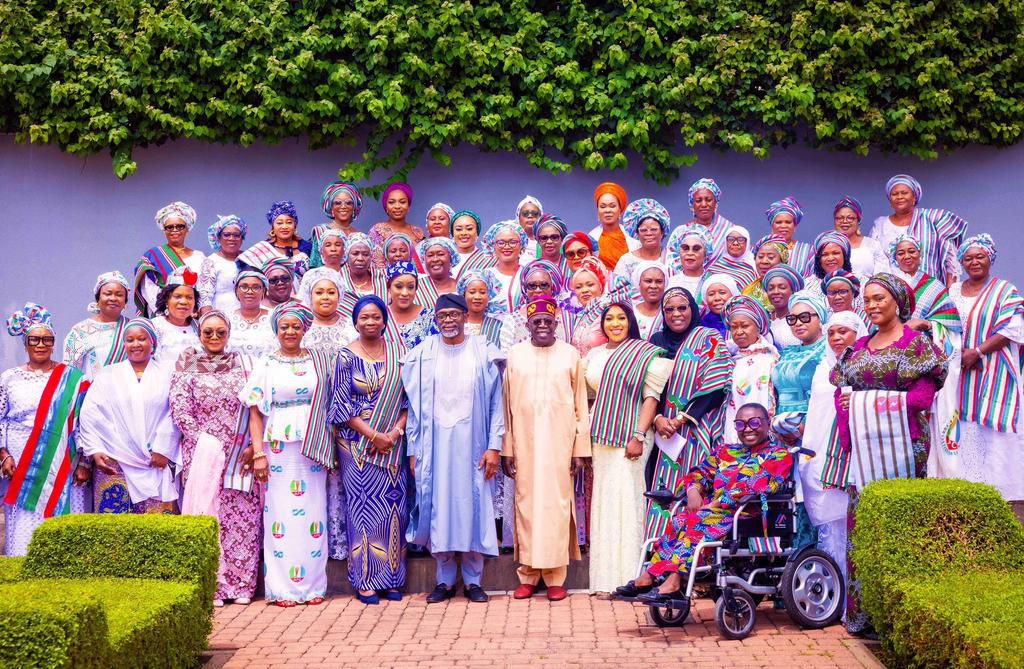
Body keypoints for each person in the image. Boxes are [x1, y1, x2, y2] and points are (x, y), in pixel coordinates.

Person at [831, 273, 947, 634]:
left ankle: (900, 618)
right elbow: (841, 392)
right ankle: (863, 615)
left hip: (905, 446)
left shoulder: (917, 346)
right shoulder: (858, 347)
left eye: (879, 298)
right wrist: (849, 422)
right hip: (864, 451)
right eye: (867, 300)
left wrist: (863, 401)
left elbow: (921, 399)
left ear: (898, 301)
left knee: (900, 526)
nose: (872, 305)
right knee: (863, 527)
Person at [619, 403, 792, 602]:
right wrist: (693, 490)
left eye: (754, 423)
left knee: (700, 519)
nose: (747, 429)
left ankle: (673, 581)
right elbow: (698, 473)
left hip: (748, 513)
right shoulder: (725, 451)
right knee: (680, 519)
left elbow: (755, 485)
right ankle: (651, 575)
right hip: (713, 512)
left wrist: (716, 504)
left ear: (767, 423)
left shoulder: (779, 455)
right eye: (740, 424)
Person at [402, 294, 505, 604]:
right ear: (436, 320)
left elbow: (497, 403)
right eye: (442, 315)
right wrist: (413, 449)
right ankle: (444, 581)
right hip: (434, 446)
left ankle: (473, 581)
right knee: (439, 508)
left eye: (453, 314)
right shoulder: (422, 354)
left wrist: (494, 446)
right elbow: (413, 407)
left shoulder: (483, 351)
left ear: (465, 316)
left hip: (475, 445)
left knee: (474, 507)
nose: (448, 320)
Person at [240, 302, 334, 607]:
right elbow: (255, 412)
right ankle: (282, 589)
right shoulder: (267, 363)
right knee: (280, 513)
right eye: (284, 327)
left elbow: (331, 402)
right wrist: (258, 453)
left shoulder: (319, 360)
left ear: (305, 329)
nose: (290, 332)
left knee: (313, 512)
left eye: (296, 326)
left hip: (314, 444)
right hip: (278, 444)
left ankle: (313, 587)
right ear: (276, 330)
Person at [168, 311, 261, 606]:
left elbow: (257, 406)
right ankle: (214, 587)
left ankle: (242, 585)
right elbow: (179, 407)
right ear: (199, 334)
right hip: (203, 452)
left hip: (239, 452)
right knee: (208, 515)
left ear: (229, 334)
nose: (214, 337)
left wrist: (252, 445)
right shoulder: (187, 364)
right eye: (208, 332)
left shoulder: (244, 365)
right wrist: (204, 441)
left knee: (242, 517)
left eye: (221, 332)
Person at [502, 296, 591, 601]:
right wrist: (507, 448)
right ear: (527, 325)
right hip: (524, 444)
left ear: (556, 324)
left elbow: (580, 406)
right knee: (526, 507)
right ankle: (528, 575)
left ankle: (555, 578)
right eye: (536, 321)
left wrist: (579, 450)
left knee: (557, 508)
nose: (542, 325)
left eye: (547, 321)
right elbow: (506, 407)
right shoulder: (515, 355)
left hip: (559, 446)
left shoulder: (569, 355)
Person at [328, 296, 411, 604]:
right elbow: (340, 405)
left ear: (385, 321)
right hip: (357, 445)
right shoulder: (345, 357)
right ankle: (365, 580)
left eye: (376, 317)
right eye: (364, 317)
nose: (370, 322)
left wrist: (395, 432)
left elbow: (410, 399)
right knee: (363, 511)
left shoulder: (399, 354)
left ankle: (392, 578)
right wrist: (373, 435)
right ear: (355, 322)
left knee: (394, 508)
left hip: (393, 442)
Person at [586, 302, 671, 593]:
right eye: (609, 318)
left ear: (630, 322)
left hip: (630, 438)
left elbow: (651, 398)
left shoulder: (643, 354)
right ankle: (604, 579)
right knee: (604, 503)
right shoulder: (595, 355)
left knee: (627, 501)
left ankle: (630, 576)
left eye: (621, 318)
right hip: (601, 436)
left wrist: (638, 435)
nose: (615, 323)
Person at [645, 288, 732, 542]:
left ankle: (694, 552)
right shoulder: (656, 342)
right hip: (662, 435)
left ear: (693, 309)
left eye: (682, 308)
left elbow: (717, 384)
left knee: (695, 488)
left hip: (696, 428)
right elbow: (646, 386)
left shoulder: (708, 338)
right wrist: (658, 419)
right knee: (661, 491)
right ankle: (658, 549)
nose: (676, 314)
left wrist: (681, 419)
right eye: (669, 309)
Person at [1, 304, 90, 555]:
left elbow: (83, 422)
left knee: (62, 514)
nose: (41, 344)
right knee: (24, 517)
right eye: (34, 339)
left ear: (53, 343)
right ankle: (22, 560)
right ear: (25, 343)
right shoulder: (9, 378)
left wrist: (84, 461)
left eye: (47, 340)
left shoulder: (73, 378)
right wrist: (3, 455)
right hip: (21, 460)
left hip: (63, 461)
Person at [78, 318, 180, 514]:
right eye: (130, 340)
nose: (135, 344)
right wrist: (95, 449)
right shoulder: (108, 375)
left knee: (157, 528)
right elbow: (90, 414)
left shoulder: (169, 374)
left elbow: (175, 412)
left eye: (141, 339)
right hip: (114, 461)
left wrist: (164, 448)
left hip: (155, 460)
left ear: (152, 342)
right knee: (114, 528)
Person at [949, 235, 1024, 501]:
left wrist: (978, 352)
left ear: (990, 258)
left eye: (980, 257)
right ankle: (969, 485)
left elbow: (1013, 328)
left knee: (993, 427)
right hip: (959, 370)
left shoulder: (1004, 290)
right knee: (963, 425)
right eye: (968, 258)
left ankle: (1002, 491)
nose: (974, 262)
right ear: (962, 263)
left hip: (993, 367)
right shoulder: (953, 291)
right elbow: (943, 324)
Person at [804, 311, 868, 580]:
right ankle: (835, 588)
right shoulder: (823, 368)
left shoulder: (867, 365)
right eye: (831, 333)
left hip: (855, 453)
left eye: (843, 332)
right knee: (832, 527)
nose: (836, 338)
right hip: (823, 453)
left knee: (856, 524)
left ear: (858, 334)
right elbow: (816, 413)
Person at [771, 291, 828, 550]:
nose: (798, 323)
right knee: (787, 493)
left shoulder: (827, 350)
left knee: (811, 492)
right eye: (792, 319)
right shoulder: (787, 352)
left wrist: (807, 427)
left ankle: (813, 553)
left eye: (805, 317)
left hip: (814, 429)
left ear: (820, 317)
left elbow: (826, 393)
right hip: (784, 430)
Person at [869, 174, 968, 285]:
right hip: (893, 290)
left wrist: (950, 290)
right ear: (890, 200)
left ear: (914, 197)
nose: (899, 197)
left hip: (930, 289)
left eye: (904, 193)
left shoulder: (933, 218)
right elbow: (875, 261)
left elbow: (951, 261)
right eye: (894, 194)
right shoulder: (880, 225)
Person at [133, 201, 206, 317]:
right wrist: (168, 313)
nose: (174, 230)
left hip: (194, 315)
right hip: (163, 315)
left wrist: (196, 311)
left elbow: (204, 288)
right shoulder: (152, 256)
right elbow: (148, 289)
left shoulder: (199, 257)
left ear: (187, 229)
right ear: (164, 230)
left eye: (180, 226)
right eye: (169, 227)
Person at [722, 296, 778, 444]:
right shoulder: (728, 358)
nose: (739, 332)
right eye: (734, 327)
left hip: (757, 432)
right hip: (732, 427)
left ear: (758, 327)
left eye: (745, 326)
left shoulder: (767, 359)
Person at [63, 271, 132, 381]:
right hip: (91, 391)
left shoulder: (134, 329)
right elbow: (70, 373)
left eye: (119, 295)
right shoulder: (80, 331)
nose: (113, 298)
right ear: (98, 299)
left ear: (125, 302)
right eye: (108, 294)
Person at [237, 201, 312, 278]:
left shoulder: (308, 248)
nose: (284, 227)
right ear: (273, 226)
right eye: (279, 223)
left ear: (295, 225)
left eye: (289, 222)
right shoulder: (262, 249)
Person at [667, 178, 733, 263]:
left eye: (708, 200)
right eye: (698, 200)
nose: (704, 204)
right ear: (692, 205)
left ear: (716, 203)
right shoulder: (680, 232)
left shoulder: (729, 231)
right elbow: (671, 262)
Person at [297, 267, 358, 358]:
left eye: (331, 293)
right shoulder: (299, 327)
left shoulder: (352, 327)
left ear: (339, 295)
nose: (325, 297)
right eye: (319, 293)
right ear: (310, 296)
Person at [511, 260, 572, 343]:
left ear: (553, 287)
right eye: (532, 285)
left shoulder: (568, 317)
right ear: (525, 289)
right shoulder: (512, 320)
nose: (538, 290)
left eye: (544, 285)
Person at [368, 183, 425, 269]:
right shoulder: (377, 231)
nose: (397, 206)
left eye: (402, 202)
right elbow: (373, 263)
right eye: (392, 202)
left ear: (408, 206)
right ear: (386, 207)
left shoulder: (418, 232)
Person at [614, 198, 670, 285]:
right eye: (643, 230)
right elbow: (618, 289)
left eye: (654, 229)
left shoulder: (671, 258)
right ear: (637, 234)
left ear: (662, 232)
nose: (649, 233)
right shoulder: (626, 261)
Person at [151, 270, 201, 367]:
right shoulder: (154, 326)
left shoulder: (200, 327)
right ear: (166, 300)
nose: (184, 302)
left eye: (189, 297)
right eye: (178, 297)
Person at [384, 262, 438, 350]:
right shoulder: (379, 316)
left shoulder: (430, 317)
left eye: (410, 287)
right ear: (389, 288)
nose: (405, 293)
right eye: (398, 286)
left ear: (416, 288)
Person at [198, 215, 246, 314]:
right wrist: (209, 319)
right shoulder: (210, 262)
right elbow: (204, 297)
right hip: (221, 316)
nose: (232, 238)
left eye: (236, 235)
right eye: (227, 235)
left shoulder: (249, 259)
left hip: (249, 315)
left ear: (242, 238)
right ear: (218, 238)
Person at [309, 182, 363, 269]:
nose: (343, 206)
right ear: (331, 208)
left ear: (354, 207)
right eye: (338, 203)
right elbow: (315, 268)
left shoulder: (359, 236)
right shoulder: (321, 231)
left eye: (349, 203)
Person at [458, 269, 514, 352]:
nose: (477, 297)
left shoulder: (500, 324)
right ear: (464, 294)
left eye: (482, 292)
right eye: (472, 292)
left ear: (489, 295)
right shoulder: (456, 322)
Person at [832, 196, 886, 280]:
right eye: (840, 218)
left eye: (850, 218)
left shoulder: (873, 245)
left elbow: (883, 276)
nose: (845, 221)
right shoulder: (828, 246)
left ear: (858, 221)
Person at [589, 182, 640, 270]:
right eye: (603, 207)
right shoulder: (591, 238)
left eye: (612, 206)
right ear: (598, 211)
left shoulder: (632, 237)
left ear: (620, 209)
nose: (607, 210)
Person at [227, 270, 277, 358]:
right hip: (232, 366)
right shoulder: (226, 319)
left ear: (264, 291)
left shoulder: (275, 318)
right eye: (244, 287)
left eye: (256, 287)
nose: (250, 291)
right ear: (236, 290)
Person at [484, 221, 528, 310]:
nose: (507, 247)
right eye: (501, 243)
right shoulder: (485, 276)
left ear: (521, 245)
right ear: (493, 245)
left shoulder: (529, 275)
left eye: (513, 242)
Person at [765, 197, 814, 276]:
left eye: (788, 222)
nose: (783, 226)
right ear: (772, 225)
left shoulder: (808, 251)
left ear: (795, 226)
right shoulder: (761, 249)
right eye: (779, 222)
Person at [762, 265, 804, 351]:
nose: (776, 292)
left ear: (793, 291)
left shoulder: (801, 320)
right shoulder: (764, 320)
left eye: (782, 287)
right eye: (771, 288)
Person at [742, 234, 790, 310]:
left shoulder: (792, 290)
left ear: (782, 261)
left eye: (770, 257)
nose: (764, 261)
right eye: (760, 257)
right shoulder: (748, 291)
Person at [666, 224, 713, 297]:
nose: (690, 253)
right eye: (685, 248)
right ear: (678, 252)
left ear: (705, 253)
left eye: (696, 249)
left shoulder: (713, 283)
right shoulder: (669, 284)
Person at [706, 224, 758, 288]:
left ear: (747, 243)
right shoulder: (715, 267)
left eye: (741, 239)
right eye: (731, 239)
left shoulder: (754, 267)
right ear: (726, 242)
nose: (735, 243)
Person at [807, 231, 854, 299]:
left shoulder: (861, 283)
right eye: (824, 254)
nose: (830, 258)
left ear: (845, 256)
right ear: (819, 259)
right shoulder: (808, 285)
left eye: (835, 253)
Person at [416, 237, 460, 309]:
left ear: (451, 257)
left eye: (440, 254)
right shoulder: (415, 287)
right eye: (430, 255)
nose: (435, 259)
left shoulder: (462, 288)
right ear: (424, 259)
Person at [340, 233, 388, 299]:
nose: (360, 258)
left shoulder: (383, 278)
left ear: (371, 256)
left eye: (365, 254)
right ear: (347, 255)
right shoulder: (338, 281)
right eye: (355, 254)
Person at [451, 210, 496, 277]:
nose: (464, 233)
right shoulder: (445, 258)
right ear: (453, 233)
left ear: (477, 232)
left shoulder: (489, 259)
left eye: (469, 229)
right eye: (458, 229)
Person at [631, 261, 669, 339]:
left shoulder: (671, 312)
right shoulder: (629, 312)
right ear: (639, 283)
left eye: (659, 281)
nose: (653, 286)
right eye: (648, 281)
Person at [698, 273, 740, 339]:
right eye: (711, 294)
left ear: (733, 295)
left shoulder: (744, 319)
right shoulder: (701, 325)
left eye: (722, 293)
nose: (717, 298)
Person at [515, 195, 543, 262]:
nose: (530, 216)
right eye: (525, 213)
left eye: (534, 214)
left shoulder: (547, 241)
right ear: (518, 217)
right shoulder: (511, 241)